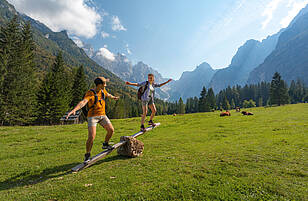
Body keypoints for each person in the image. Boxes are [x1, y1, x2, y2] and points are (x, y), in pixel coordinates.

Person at [67, 77, 119, 163]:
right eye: (104, 84)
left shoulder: (103, 90)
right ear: (99, 85)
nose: (105, 86)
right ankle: (87, 155)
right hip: (92, 117)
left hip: (102, 115)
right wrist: (74, 110)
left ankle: (105, 144)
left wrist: (113, 97)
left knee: (111, 130)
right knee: (91, 136)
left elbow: (108, 94)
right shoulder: (90, 93)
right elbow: (83, 102)